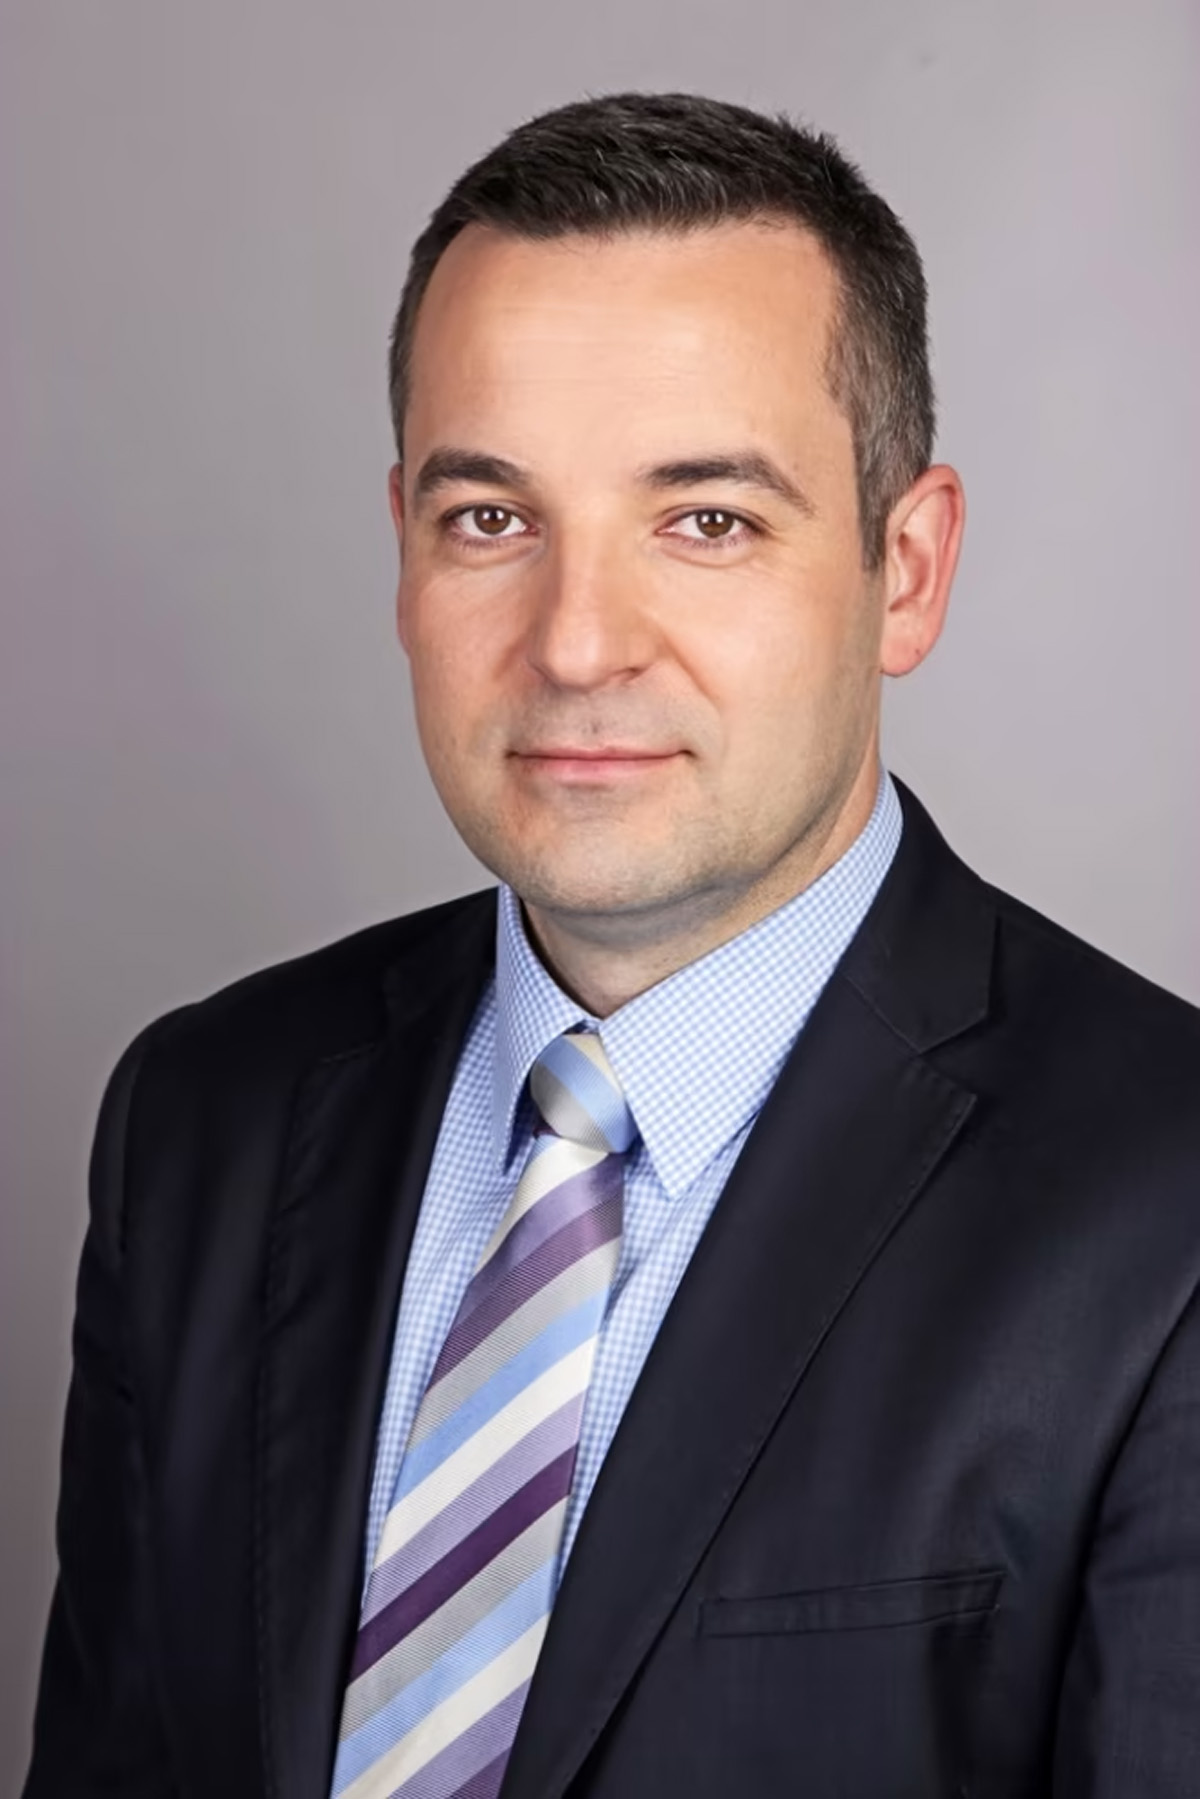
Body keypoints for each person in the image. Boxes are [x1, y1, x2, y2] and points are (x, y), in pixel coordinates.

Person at [23, 91, 1200, 1799]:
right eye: (490, 519)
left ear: (906, 569)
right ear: (403, 551)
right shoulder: (205, 1120)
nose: (576, 644)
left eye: (705, 520)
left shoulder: (1166, 1199)